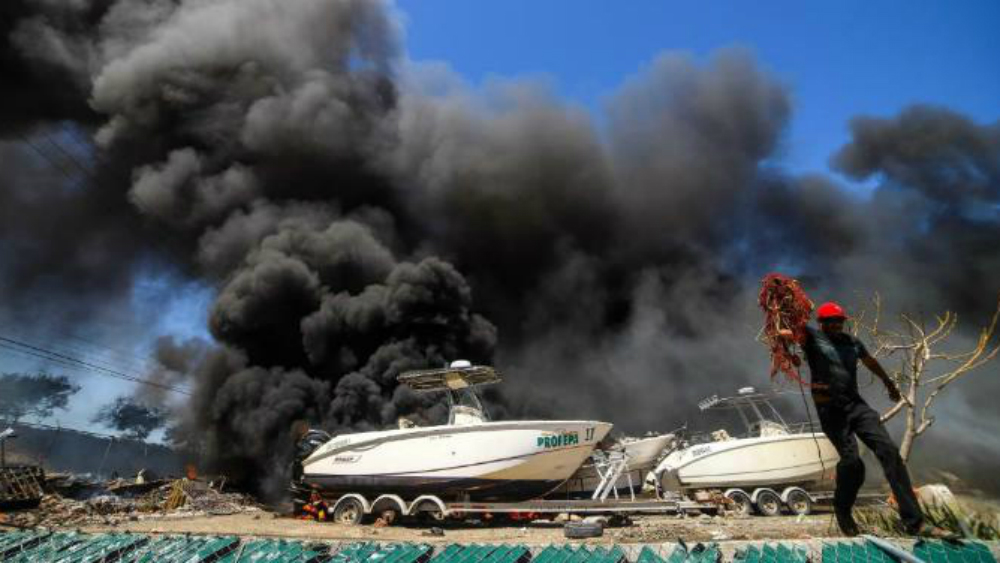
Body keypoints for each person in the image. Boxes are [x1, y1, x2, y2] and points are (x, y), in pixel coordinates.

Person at [781, 301, 952, 538]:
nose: (834, 325)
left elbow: (870, 361)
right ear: (821, 324)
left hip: (856, 405)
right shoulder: (811, 338)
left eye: (838, 321)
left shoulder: (852, 343)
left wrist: (888, 382)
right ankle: (842, 511)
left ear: (843, 322)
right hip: (830, 410)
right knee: (852, 463)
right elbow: (786, 331)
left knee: (889, 451)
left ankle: (914, 522)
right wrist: (782, 332)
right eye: (829, 321)